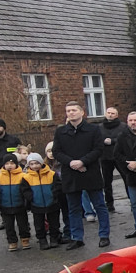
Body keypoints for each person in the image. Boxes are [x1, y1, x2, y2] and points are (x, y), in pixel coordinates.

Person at [53, 101, 111, 251]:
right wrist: (72, 162)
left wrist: (82, 161)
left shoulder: (93, 130)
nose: (71, 113)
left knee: (99, 205)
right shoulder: (61, 132)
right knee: (73, 208)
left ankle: (104, 235)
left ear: (81, 112)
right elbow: (56, 152)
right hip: (70, 174)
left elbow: (98, 149)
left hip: (90, 172)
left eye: (73, 110)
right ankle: (77, 238)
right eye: (68, 111)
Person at [21, 152, 59, 250]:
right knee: (39, 224)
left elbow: (57, 186)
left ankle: (54, 238)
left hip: (51, 202)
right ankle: (42, 240)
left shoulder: (52, 174)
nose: (35, 166)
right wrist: (31, 198)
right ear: (29, 165)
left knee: (54, 222)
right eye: (32, 164)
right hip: (36, 203)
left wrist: (54, 196)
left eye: (37, 163)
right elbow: (25, 190)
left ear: (41, 163)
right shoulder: (26, 177)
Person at [0, 156, 29, 251]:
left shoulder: (22, 176)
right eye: (7, 164)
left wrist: (26, 203)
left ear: (16, 164)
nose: (9, 166)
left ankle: (25, 239)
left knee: (23, 224)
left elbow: (25, 191)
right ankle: (12, 241)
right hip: (5, 206)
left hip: (19, 205)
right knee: (8, 225)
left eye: (12, 163)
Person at [98, 107, 128, 212]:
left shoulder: (123, 126)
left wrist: (113, 141)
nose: (110, 115)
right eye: (108, 113)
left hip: (119, 157)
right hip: (105, 157)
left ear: (117, 115)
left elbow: (125, 139)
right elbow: (96, 140)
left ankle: (132, 200)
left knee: (126, 179)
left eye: (113, 113)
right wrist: (103, 141)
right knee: (107, 182)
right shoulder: (100, 127)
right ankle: (109, 203)